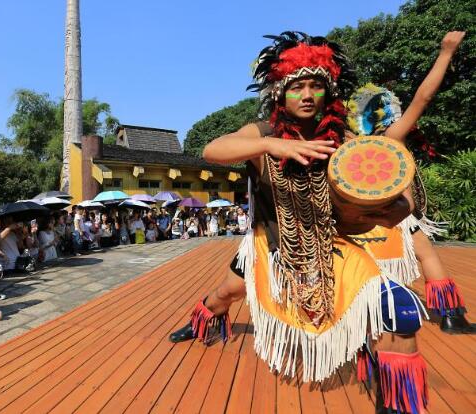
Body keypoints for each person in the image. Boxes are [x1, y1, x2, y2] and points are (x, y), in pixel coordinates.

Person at [168, 32, 428, 414]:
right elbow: (212, 150)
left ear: (328, 92)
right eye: (297, 87)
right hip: (272, 247)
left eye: (316, 86)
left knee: (399, 308)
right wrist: (273, 145)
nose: (307, 95)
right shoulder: (263, 132)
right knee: (227, 293)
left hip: (330, 247)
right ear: (279, 92)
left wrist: (397, 207)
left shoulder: (343, 140)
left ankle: (396, 402)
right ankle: (203, 321)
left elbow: (390, 186)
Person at [346, 31, 472, 334]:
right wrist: (446, 53)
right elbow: (423, 98)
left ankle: (364, 311)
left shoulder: (347, 143)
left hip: (359, 214)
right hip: (399, 213)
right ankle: (451, 315)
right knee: (426, 254)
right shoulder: (392, 137)